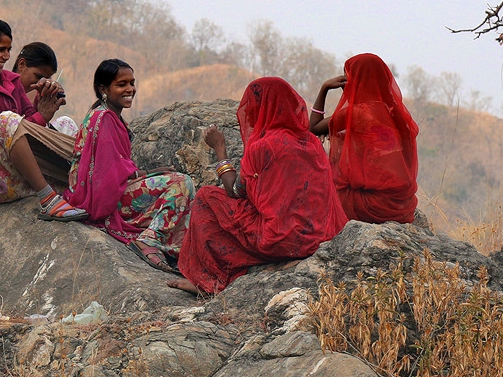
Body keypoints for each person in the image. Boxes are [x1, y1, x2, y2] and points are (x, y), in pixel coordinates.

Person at [171, 77, 348, 295]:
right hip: (317, 238)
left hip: (279, 241)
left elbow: (234, 192)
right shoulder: (310, 142)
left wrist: (220, 148)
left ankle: (207, 280)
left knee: (207, 197)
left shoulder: (263, 146)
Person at [65, 59, 195, 271]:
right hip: (101, 199)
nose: (130, 89)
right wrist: (146, 174)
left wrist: (149, 174)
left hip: (113, 191)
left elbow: (116, 166)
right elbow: (105, 175)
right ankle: (149, 241)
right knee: (182, 183)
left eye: (132, 83)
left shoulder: (113, 117)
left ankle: (165, 244)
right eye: (121, 84)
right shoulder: (103, 118)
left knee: (185, 195)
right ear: (103, 89)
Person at [0, 19, 86, 219]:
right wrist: (40, 116)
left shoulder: (11, 80)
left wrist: (44, 107)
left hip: (22, 169)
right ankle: (48, 199)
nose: (6, 56)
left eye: (8, 49)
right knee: (6, 119)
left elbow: (28, 120)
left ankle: (82, 184)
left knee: (66, 123)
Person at [309, 53, 420, 224]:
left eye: (347, 77)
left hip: (373, 207)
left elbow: (314, 128)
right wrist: (342, 136)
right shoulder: (394, 112)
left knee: (323, 193)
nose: (344, 83)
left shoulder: (357, 112)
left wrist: (324, 88)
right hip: (402, 207)